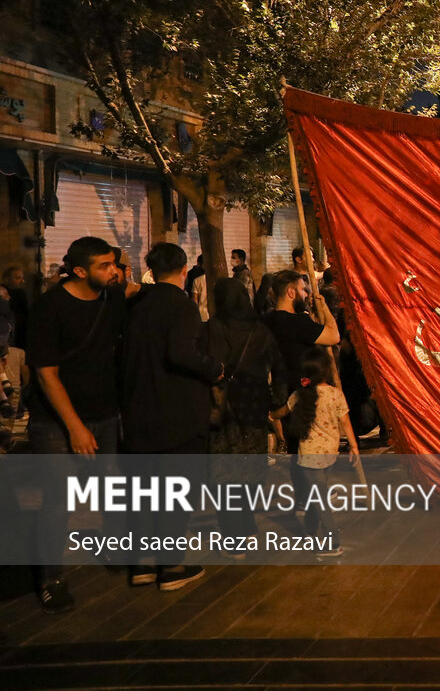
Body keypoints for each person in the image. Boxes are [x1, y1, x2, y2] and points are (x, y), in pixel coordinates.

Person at [25, 237, 128, 612]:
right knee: (58, 499)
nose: (113, 271)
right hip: (56, 419)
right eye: (105, 265)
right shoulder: (50, 308)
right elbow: (46, 373)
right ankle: (51, 578)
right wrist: (74, 427)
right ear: (81, 270)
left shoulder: (112, 297)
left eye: (114, 264)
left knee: (111, 488)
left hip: (104, 410)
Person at [121, 242, 223, 592]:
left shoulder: (137, 305)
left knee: (144, 493)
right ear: (183, 271)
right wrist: (215, 369)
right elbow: (182, 353)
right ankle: (172, 565)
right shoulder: (181, 305)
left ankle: (142, 565)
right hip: (177, 411)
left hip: (138, 408)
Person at [206, 277, 288, 553]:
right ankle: (248, 522)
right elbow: (279, 369)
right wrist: (276, 403)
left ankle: (233, 532)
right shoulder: (260, 330)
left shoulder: (211, 329)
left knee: (224, 470)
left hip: (221, 405)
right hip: (254, 404)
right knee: (251, 465)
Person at [270, 347, 360, 557]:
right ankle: (310, 531)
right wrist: (354, 447)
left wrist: (270, 415)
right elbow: (345, 422)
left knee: (319, 499)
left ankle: (332, 543)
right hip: (330, 453)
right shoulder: (335, 395)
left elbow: (281, 412)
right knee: (315, 494)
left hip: (309, 456)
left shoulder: (299, 395)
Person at [264, 270, 340, 392]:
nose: (305, 295)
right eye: (302, 289)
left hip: (278, 388)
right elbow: (334, 336)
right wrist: (324, 308)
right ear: (291, 292)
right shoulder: (298, 322)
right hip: (300, 393)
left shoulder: (267, 318)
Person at [3, 264, 29, 350]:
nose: (22, 281)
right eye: (18, 278)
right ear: (7, 279)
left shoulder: (21, 293)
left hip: (20, 331)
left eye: (22, 278)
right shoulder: (2, 292)